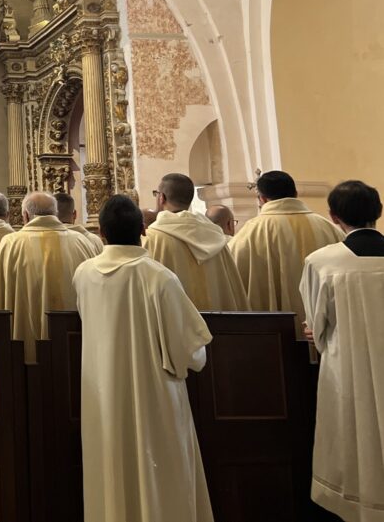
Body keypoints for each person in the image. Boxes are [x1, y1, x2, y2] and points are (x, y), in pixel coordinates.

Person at [76, 195, 214, 522]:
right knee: (163, 477)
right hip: (155, 395)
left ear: (101, 232)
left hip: (103, 396)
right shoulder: (159, 277)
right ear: (143, 228)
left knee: (111, 474)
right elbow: (190, 352)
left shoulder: (83, 274)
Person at [300, 180, 384, 521]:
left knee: (356, 441)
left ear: (333, 216)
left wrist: (319, 337)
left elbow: (316, 328)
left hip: (349, 370)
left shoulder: (322, 261)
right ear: (379, 212)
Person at [0, 191, 95, 362]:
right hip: (75, 347)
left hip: (25, 352)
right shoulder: (82, 242)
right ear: (55, 213)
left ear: (26, 215)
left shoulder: (12, 244)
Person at [230, 171, 341, 335]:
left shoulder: (250, 233)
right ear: (295, 194)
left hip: (275, 337)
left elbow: (232, 275)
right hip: (326, 332)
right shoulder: (328, 227)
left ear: (262, 198)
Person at [145, 174, 249, 311]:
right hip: (219, 322)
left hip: (177, 321)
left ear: (161, 198)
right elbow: (233, 291)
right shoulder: (216, 237)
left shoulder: (153, 238)